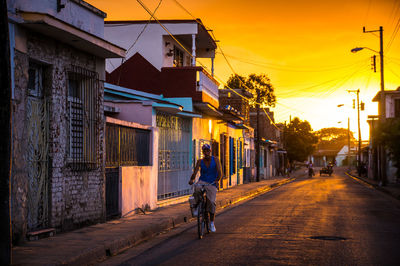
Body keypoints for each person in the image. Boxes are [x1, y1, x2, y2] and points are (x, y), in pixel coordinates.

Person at [189, 144, 222, 233]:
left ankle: (211, 222)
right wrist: (192, 179)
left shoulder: (215, 160)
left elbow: (219, 171)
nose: (206, 152)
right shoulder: (200, 161)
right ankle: (197, 206)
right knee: (196, 189)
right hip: (202, 181)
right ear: (203, 152)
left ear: (210, 151)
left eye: (208, 151)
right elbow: (195, 172)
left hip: (212, 182)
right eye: (204, 151)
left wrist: (217, 180)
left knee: (211, 202)